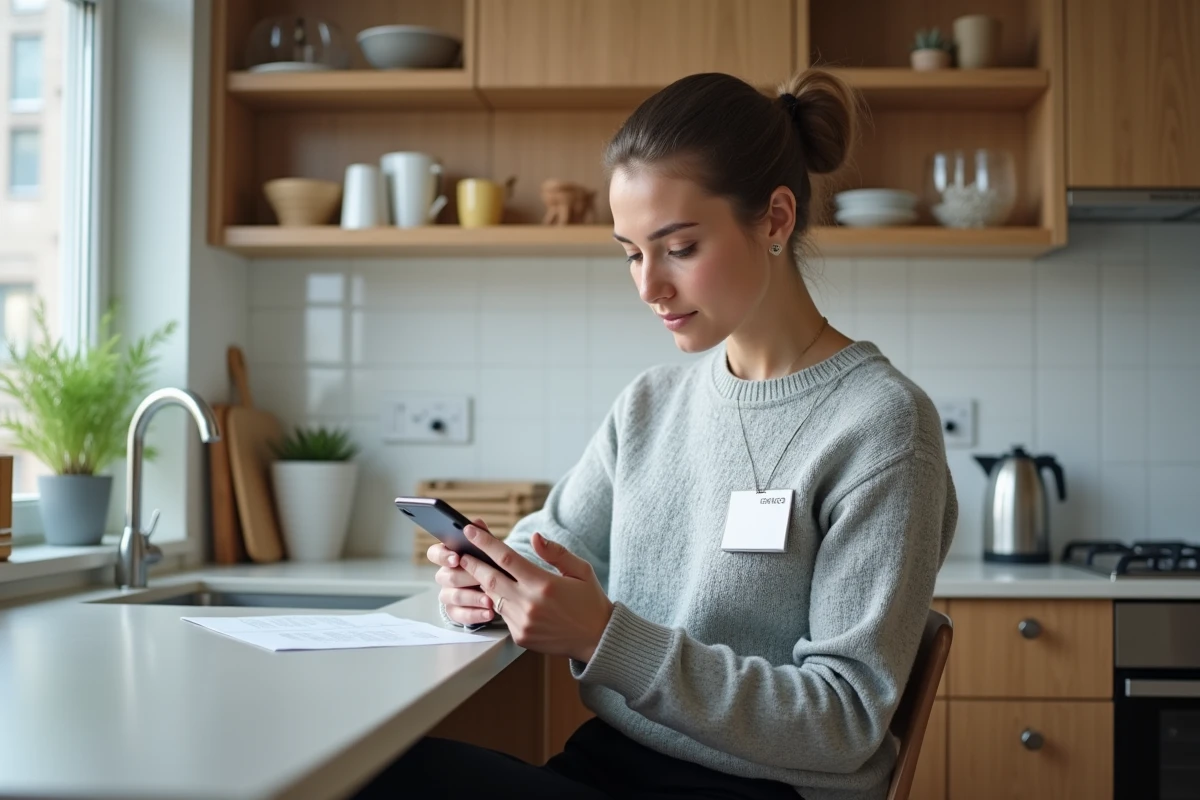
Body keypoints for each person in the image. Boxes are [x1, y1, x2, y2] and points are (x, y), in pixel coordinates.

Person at [355, 67, 957, 800]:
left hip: (755, 791)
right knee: (377, 770)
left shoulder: (882, 425)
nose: (648, 288)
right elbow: (555, 540)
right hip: (612, 764)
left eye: (678, 248)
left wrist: (604, 638)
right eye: (632, 252)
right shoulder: (650, 402)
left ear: (774, 218)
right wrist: (488, 580)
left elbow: (845, 719)